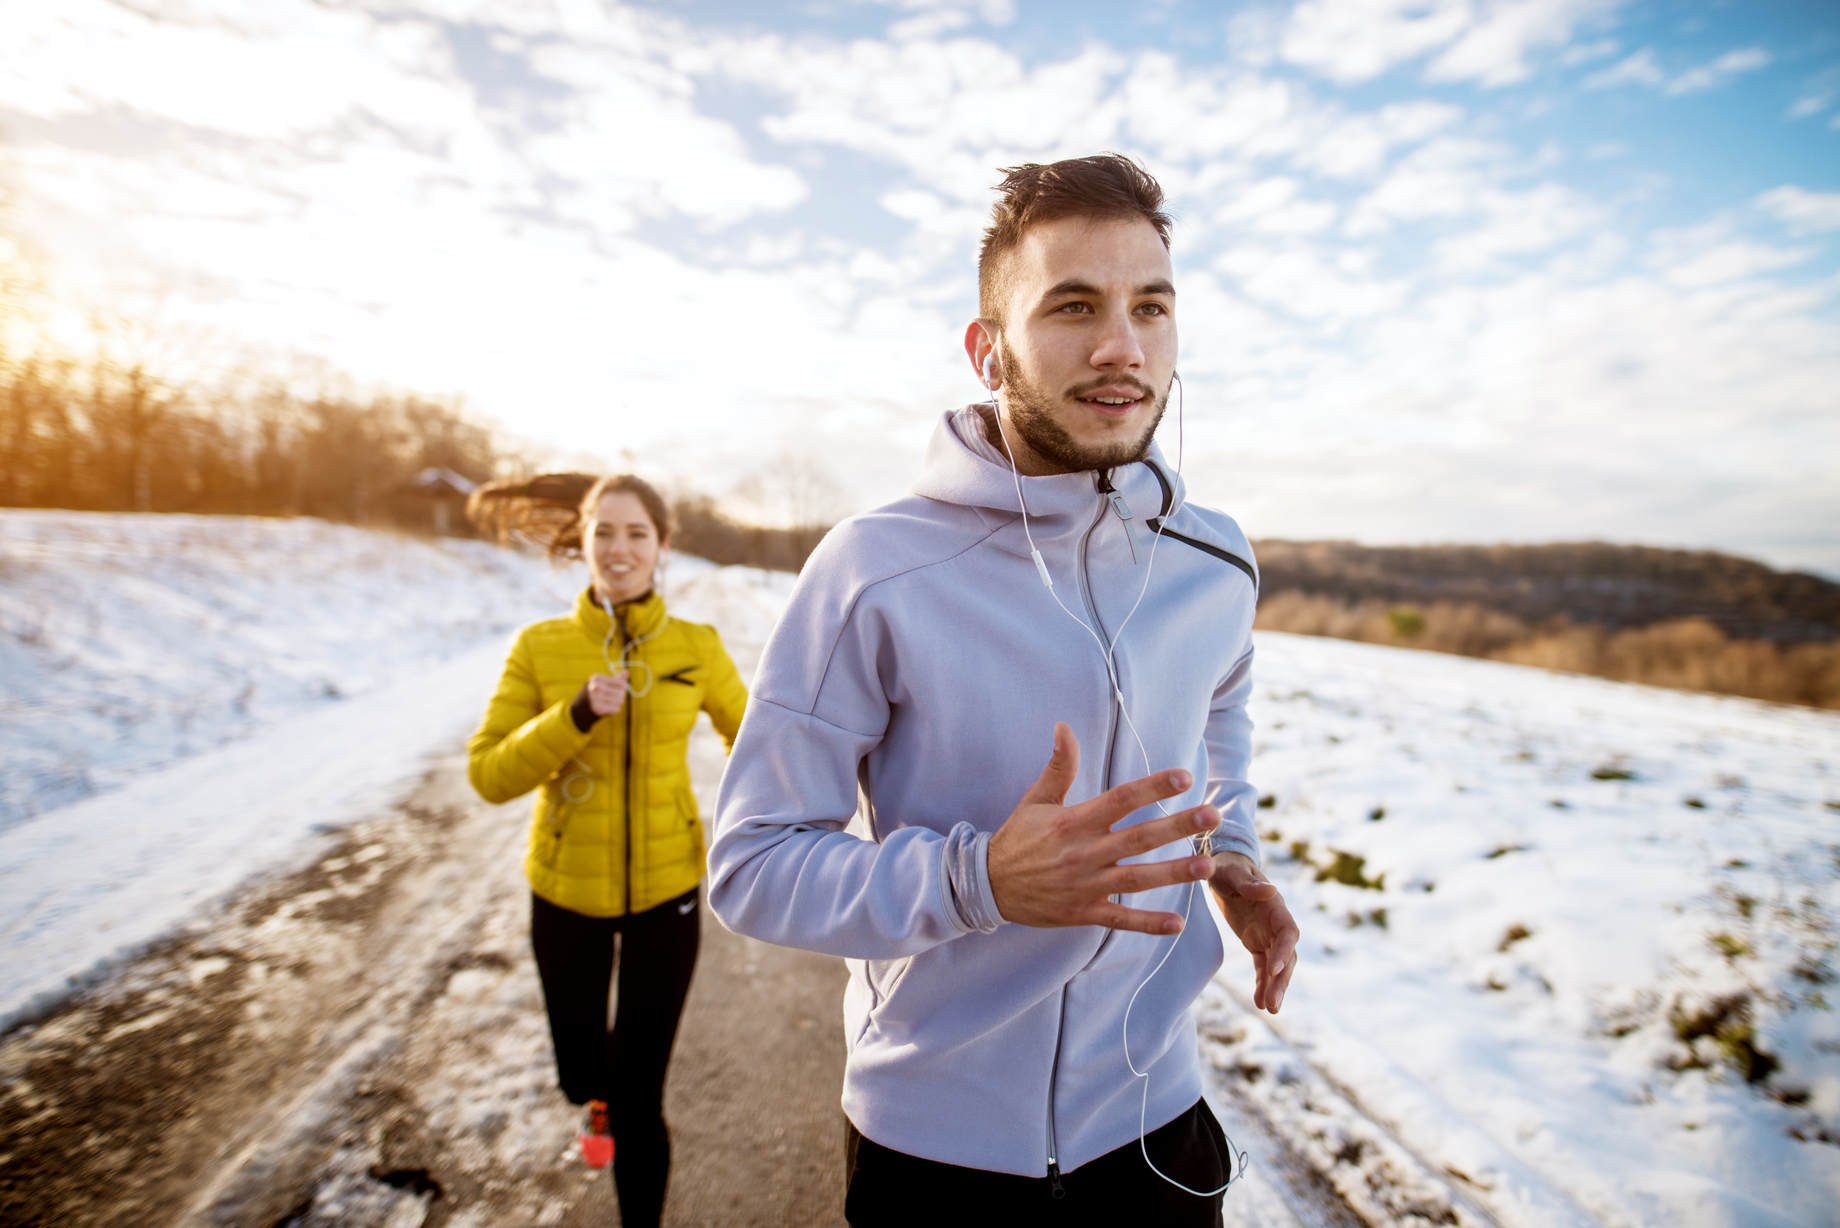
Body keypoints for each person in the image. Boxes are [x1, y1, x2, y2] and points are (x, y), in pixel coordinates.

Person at [707, 154, 1300, 1226]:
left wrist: (1233, 855)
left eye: (1149, 308)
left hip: (1161, 1127)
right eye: (1073, 306)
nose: (1121, 347)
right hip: (937, 1155)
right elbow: (753, 866)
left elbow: (1221, 713)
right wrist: (977, 879)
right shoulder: (872, 571)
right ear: (988, 349)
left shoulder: (1215, 561)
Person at [466, 472, 747, 1228]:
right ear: (583, 543)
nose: (619, 549)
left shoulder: (697, 646)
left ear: (662, 547)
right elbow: (489, 774)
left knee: (638, 1096)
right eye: (604, 533)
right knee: (584, 1075)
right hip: (565, 898)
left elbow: (753, 743)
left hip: (667, 897)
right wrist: (575, 714)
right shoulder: (540, 647)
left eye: (636, 534)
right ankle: (592, 1100)